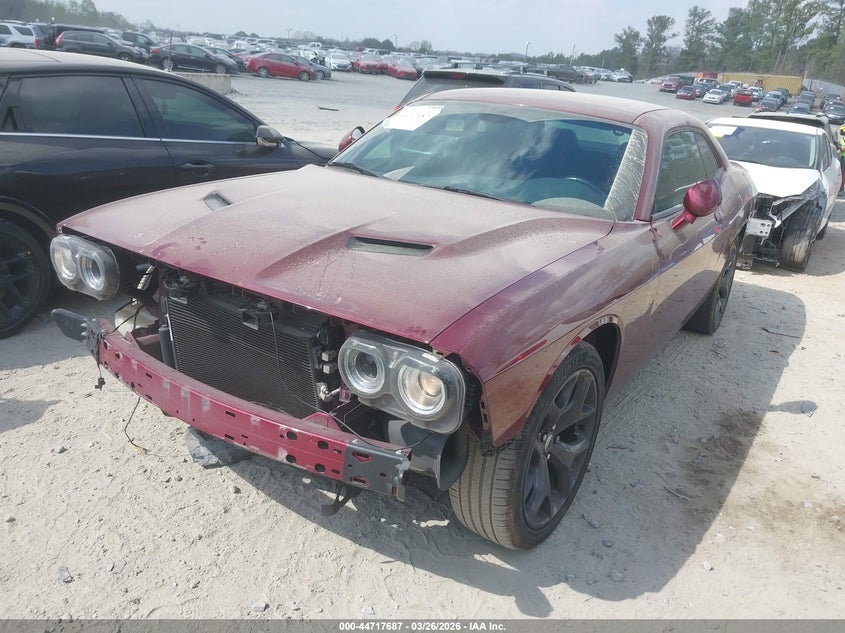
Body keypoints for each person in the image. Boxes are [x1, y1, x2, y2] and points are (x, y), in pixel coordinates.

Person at [839, 124, 845, 192]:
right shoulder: (841, 140)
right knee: (843, 172)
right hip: (843, 158)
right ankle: (842, 186)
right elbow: (841, 149)